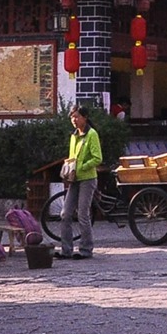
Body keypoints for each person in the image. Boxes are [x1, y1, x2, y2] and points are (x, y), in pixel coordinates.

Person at [59, 105, 103, 260]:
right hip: (74, 180)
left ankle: (86, 249)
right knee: (65, 214)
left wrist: (81, 167)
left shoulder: (92, 134)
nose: (74, 120)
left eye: (77, 117)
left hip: (88, 179)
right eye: (72, 117)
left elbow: (97, 158)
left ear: (85, 117)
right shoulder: (74, 136)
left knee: (83, 214)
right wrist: (69, 170)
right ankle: (66, 250)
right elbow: (72, 157)